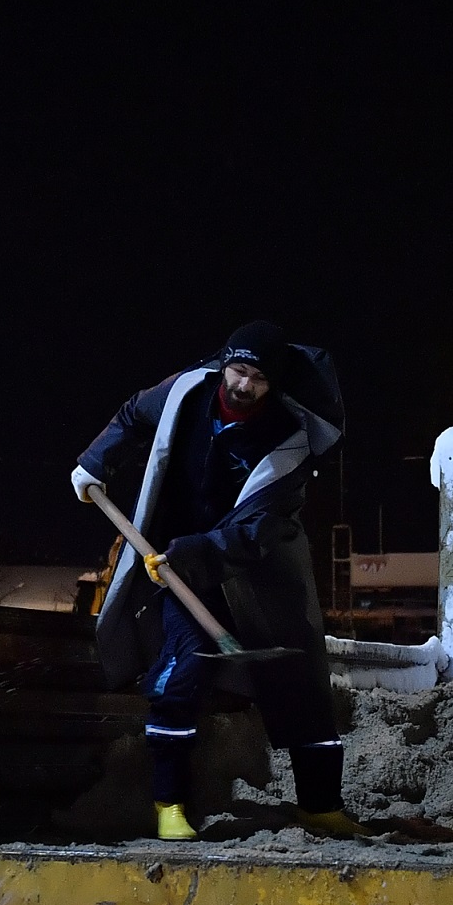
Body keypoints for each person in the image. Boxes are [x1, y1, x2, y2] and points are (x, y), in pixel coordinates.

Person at [73, 321, 364, 841]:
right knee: (180, 672)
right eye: (237, 369)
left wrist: (190, 553)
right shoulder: (185, 392)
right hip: (177, 564)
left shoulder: (288, 443)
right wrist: (95, 462)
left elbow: (254, 531)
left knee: (300, 677)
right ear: (222, 365)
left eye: (256, 376)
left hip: (260, 567)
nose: (242, 384)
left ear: (274, 383)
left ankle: (321, 805)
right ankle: (171, 807)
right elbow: (133, 414)